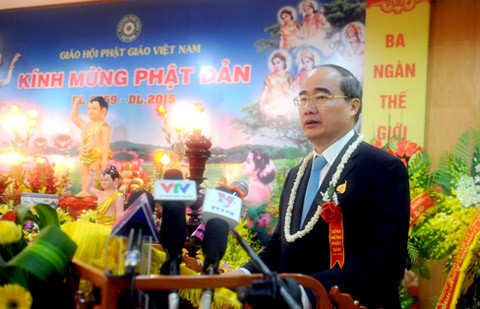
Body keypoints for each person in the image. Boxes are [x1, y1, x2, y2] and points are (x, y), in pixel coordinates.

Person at [233, 64, 410, 309]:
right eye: (303, 99)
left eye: (322, 97)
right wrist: (241, 275)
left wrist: (304, 291)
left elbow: (384, 262)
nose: (309, 107)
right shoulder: (296, 175)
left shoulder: (382, 168)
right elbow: (280, 247)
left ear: (353, 106)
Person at [71, 95, 111, 197]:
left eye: (94, 108)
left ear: (103, 111)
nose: (91, 111)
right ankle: (84, 190)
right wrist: (76, 104)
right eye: (89, 109)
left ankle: (91, 192)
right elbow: (74, 118)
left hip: (96, 155)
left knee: (93, 175)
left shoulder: (104, 127)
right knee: (84, 174)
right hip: (84, 154)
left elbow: (105, 144)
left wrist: (104, 159)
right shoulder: (86, 125)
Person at [258, 51, 295, 118]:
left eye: (278, 62)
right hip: (271, 103)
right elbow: (265, 90)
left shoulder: (288, 75)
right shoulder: (270, 77)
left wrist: (286, 91)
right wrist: (261, 103)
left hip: (285, 103)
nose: (276, 65)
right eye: (274, 64)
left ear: (283, 62)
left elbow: (294, 91)